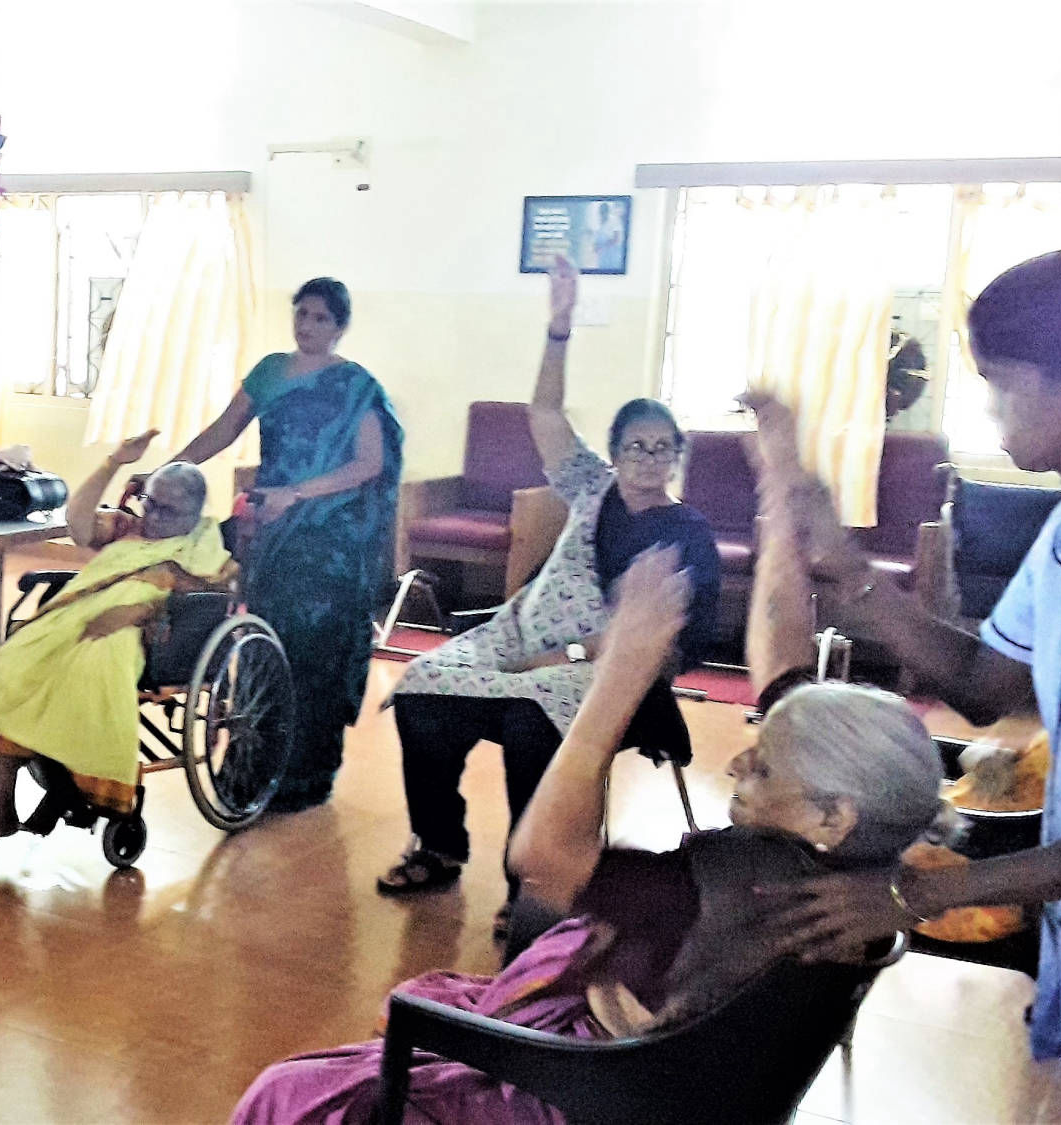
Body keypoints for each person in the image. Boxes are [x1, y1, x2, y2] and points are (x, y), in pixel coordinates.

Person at [231, 424, 954, 1123]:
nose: (737, 759)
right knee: (439, 699)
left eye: (763, 766)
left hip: (589, 1090)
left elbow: (543, 858)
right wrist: (776, 489)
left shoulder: (723, 890)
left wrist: (622, 667)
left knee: (291, 1091)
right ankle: (438, 843)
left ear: (831, 814)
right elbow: (784, 663)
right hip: (689, 1075)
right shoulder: (854, 862)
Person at [754, 248, 1061, 1125]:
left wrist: (919, 890)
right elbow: (989, 682)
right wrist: (856, 577)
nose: (988, 407)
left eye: (1000, 382)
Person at [381, 256, 720, 926]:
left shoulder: (686, 531)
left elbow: (650, 640)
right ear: (615, 453)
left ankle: (532, 886)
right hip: (518, 641)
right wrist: (557, 328)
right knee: (420, 689)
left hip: (604, 675)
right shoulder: (591, 486)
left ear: (677, 455)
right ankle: (439, 845)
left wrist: (553, 659)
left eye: (662, 448)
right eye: (636, 447)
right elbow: (544, 410)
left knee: (530, 723)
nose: (649, 460)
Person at [166, 277, 403, 812]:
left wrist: (300, 494)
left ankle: (305, 778)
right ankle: (248, 770)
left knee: (311, 650)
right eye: (302, 314)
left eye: (321, 318)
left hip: (332, 535)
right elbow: (224, 430)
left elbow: (370, 464)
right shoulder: (270, 372)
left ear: (340, 327)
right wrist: (173, 467)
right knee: (263, 638)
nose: (308, 326)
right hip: (273, 523)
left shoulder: (356, 386)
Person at [0, 430, 233, 856]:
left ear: (194, 511)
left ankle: (68, 781)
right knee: (11, 663)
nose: (154, 518)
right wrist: (114, 462)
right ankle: (2, 810)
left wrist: (138, 611)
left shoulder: (204, 545)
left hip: (142, 636)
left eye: (168, 511)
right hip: (75, 619)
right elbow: (76, 524)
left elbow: (212, 597)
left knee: (88, 670)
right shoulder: (128, 527)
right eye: (150, 503)